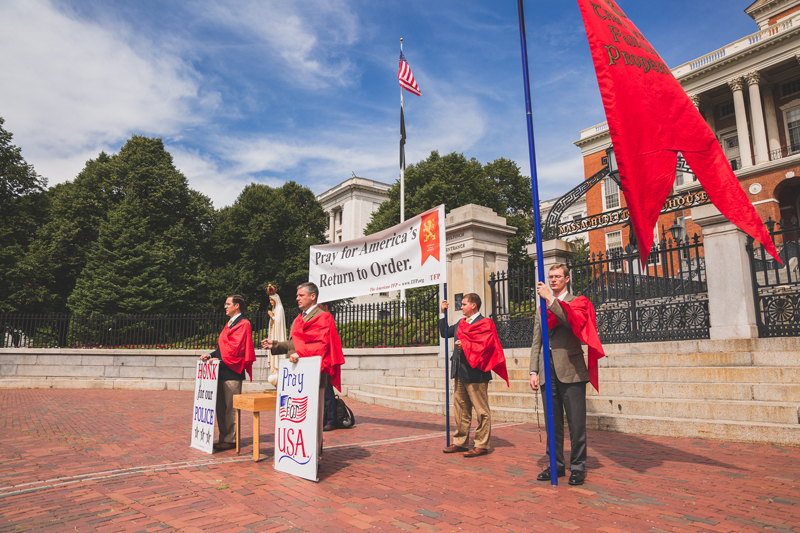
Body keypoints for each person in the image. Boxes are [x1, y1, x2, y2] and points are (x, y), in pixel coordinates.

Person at [530, 263, 605, 486]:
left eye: (557, 277)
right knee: (552, 422)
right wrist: (534, 370)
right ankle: (556, 465)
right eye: (550, 277)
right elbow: (537, 341)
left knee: (576, 422)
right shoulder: (542, 307)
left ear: (566, 279)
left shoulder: (577, 302)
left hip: (571, 369)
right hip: (547, 370)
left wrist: (551, 301)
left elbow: (573, 324)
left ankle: (578, 467)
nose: (553, 280)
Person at [261, 282, 345, 463]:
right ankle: (297, 453)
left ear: (312, 296)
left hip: (313, 373)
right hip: (296, 374)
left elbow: (321, 344)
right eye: (297, 295)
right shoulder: (300, 318)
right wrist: (275, 345)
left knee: (313, 418)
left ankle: (313, 457)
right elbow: (295, 345)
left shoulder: (324, 317)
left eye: (301, 295)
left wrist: (302, 354)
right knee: (297, 415)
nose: (297, 298)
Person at [439, 293, 509, 458]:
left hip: (477, 372)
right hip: (459, 371)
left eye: (464, 304)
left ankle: (482, 444)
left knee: (481, 410)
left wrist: (466, 345)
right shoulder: (461, 323)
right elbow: (444, 333)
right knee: (461, 409)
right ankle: (460, 441)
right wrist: (442, 313)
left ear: (473, 306)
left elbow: (486, 345)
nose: (461, 306)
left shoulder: (485, 323)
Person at [200, 294, 257, 452]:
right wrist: (211, 356)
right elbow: (222, 348)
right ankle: (223, 437)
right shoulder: (229, 324)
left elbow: (237, 349)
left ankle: (231, 439)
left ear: (237, 306)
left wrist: (219, 361)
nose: (225, 306)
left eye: (228, 304)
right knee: (220, 406)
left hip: (233, 371)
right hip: (221, 369)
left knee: (231, 407)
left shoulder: (244, 323)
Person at [317, 302, 339, 432]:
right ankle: (325, 418)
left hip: (326, 360)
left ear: (325, 307)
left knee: (327, 391)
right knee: (322, 391)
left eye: (319, 307)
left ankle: (331, 420)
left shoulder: (327, 318)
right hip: (320, 360)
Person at [265, 285, 287, 387]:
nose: (270, 302)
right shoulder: (275, 309)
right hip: (274, 335)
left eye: (272, 300)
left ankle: (277, 373)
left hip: (278, 336)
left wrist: (272, 317)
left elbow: (278, 322)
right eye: (270, 300)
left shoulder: (279, 308)